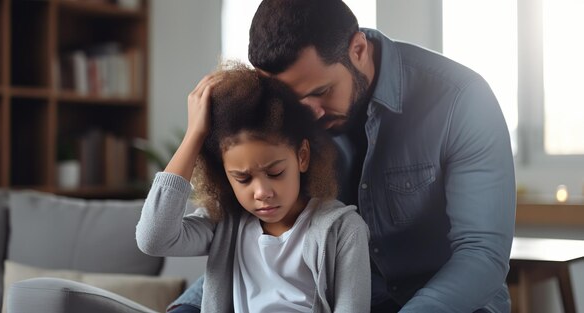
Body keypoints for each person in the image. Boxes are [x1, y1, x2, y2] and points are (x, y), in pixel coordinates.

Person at [168, 0, 517, 312]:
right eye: (294, 100)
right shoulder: (287, 114)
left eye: (321, 92)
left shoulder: (462, 99)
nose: (311, 114)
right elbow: (258, 238)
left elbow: (481, 255)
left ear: (358, 49)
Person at [136, 64, 371, 313]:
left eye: (275, 172)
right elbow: (154, 239)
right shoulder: (225, 224)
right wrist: (195, 135)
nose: (262, 192)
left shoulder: (343, 230)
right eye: (243, 179)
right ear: (225, 175)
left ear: (302, 156)